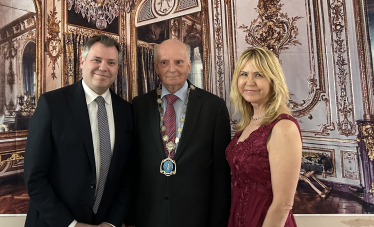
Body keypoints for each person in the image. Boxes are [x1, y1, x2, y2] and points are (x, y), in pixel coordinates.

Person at [24, 35, 133, 227]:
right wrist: (71, 225)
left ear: (117, 67)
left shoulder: (127, 111)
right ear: (82, 62)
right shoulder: (51, 105)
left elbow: (127, 175)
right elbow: (34, 178)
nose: (103, 67)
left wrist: (112, 222)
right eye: (96, 60)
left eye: (111, 62)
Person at [126, 39, 231, 227]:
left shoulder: (213, 107)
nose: (171, 68)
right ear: (156, 67)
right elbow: (133, 164)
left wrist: (218, 221)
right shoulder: (139, 105)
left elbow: (221, 174)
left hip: (197, 216)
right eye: (164, 62)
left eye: (179, 62)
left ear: (189, 66)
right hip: (149, 214)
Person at [226, 47, 302, 227]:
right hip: (239, 217)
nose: (249, 82)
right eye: (244, 74)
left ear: (273, 81)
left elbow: (283, 204)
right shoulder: (248, 123)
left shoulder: (283, 127)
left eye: (259, 75)